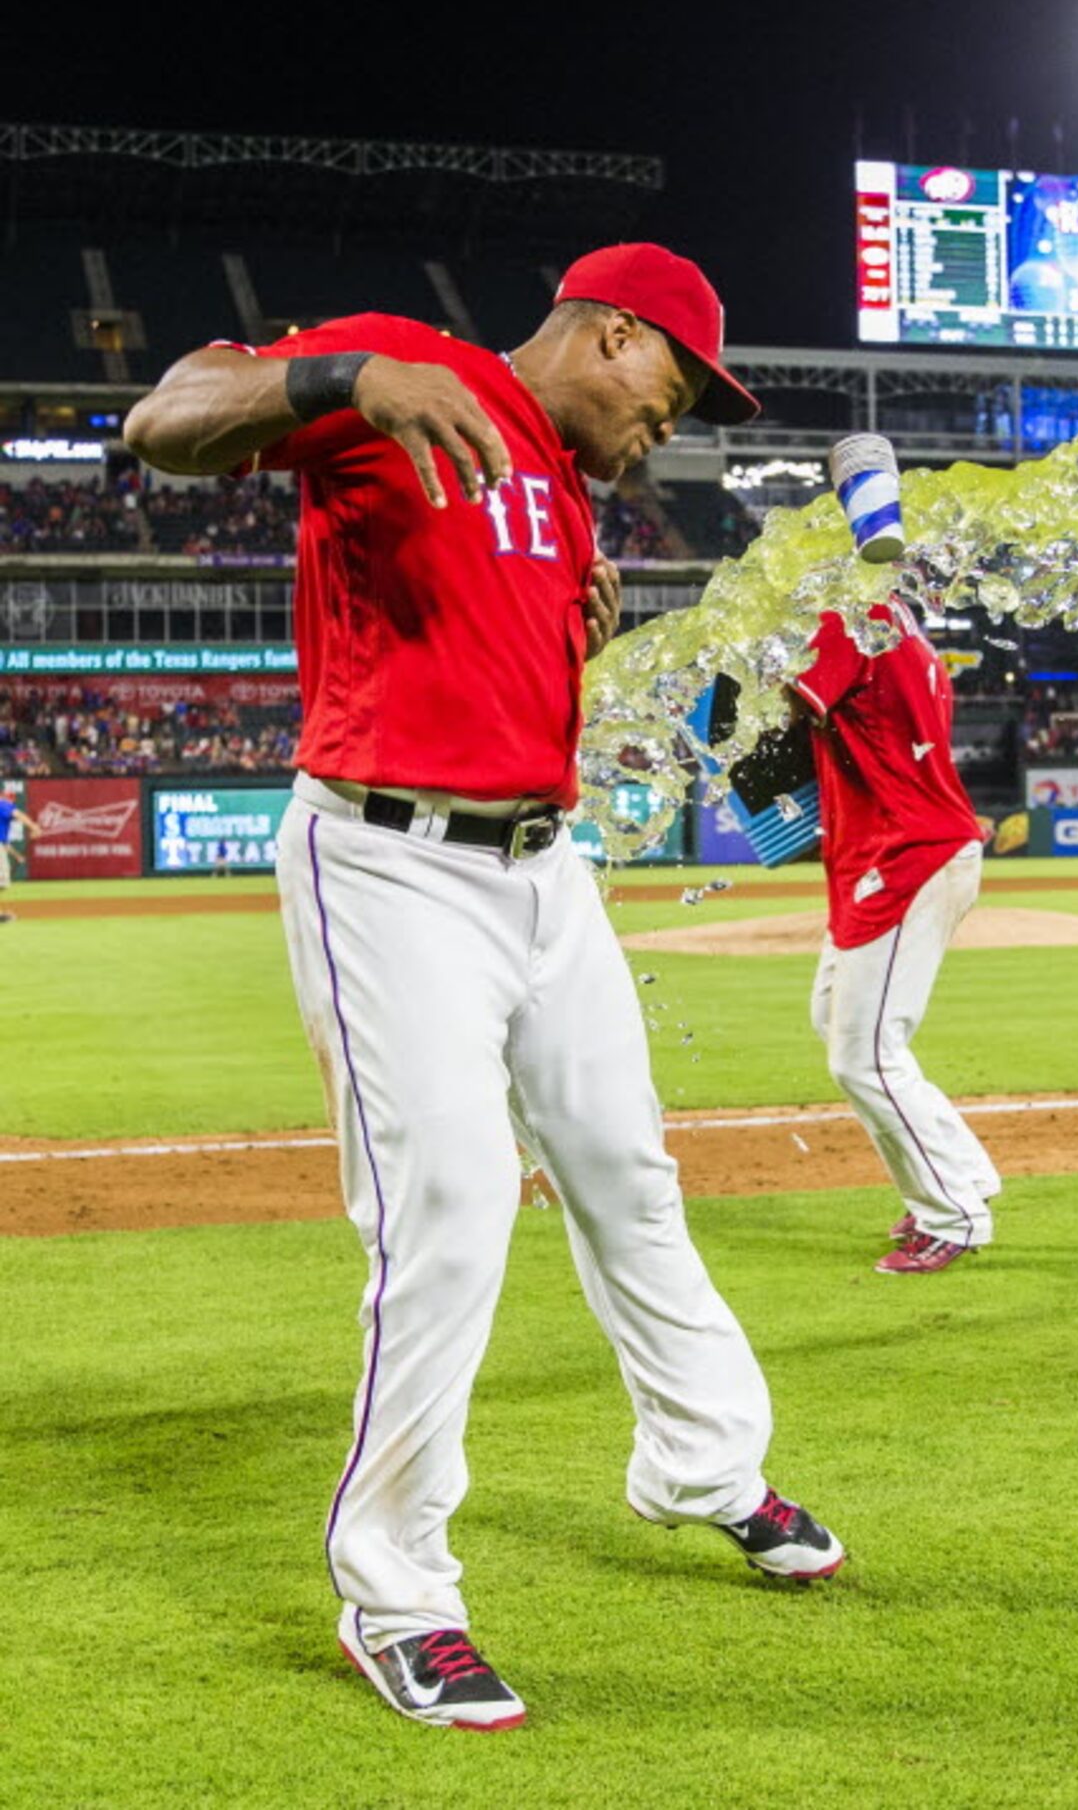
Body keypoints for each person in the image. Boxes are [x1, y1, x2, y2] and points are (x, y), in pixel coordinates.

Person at [120, 243, 845, 1732]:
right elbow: (164, 420)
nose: (681, 418)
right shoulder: (408, 364)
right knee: (447, 1205)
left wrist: (566, 625)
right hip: (388, 859)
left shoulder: (565, 486)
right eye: (679, 380)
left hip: (540, 866)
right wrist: (347, 378)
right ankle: (398, 1592)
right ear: (608, 333)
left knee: (628, 1174)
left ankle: (702, 1463)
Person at [794, 598, 1002, 1275]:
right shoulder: (898, 618)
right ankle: (964, 1171)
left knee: (864, 1057)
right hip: (892, 848)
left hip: (906, 852)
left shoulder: (845, 618)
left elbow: (793, 701)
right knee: (835, 1021)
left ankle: (955, 1216)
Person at [0, 785, 37, 920]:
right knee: (2, 881)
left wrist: (17, 856)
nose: (11, 802)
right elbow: (18, 814)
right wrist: (34, 826)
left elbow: (4, 843)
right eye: (10, 799)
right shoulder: (2, 804)